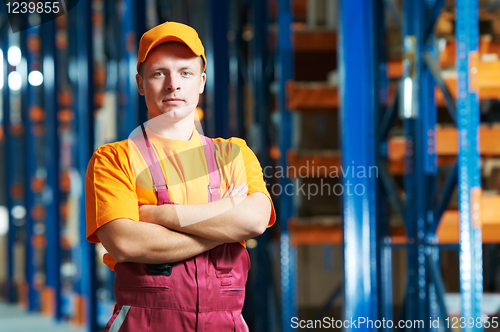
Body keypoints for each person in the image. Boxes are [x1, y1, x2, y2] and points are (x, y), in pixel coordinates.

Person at [85, 21, 276, 331]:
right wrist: (223, 226)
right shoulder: (113, 159)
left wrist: (159, 216)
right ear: (140, 83)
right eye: (159, 73)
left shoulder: (233, 154)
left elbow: (255, 220)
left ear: (201, 82)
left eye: (185, 73)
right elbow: (125, 243)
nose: (173, 84)